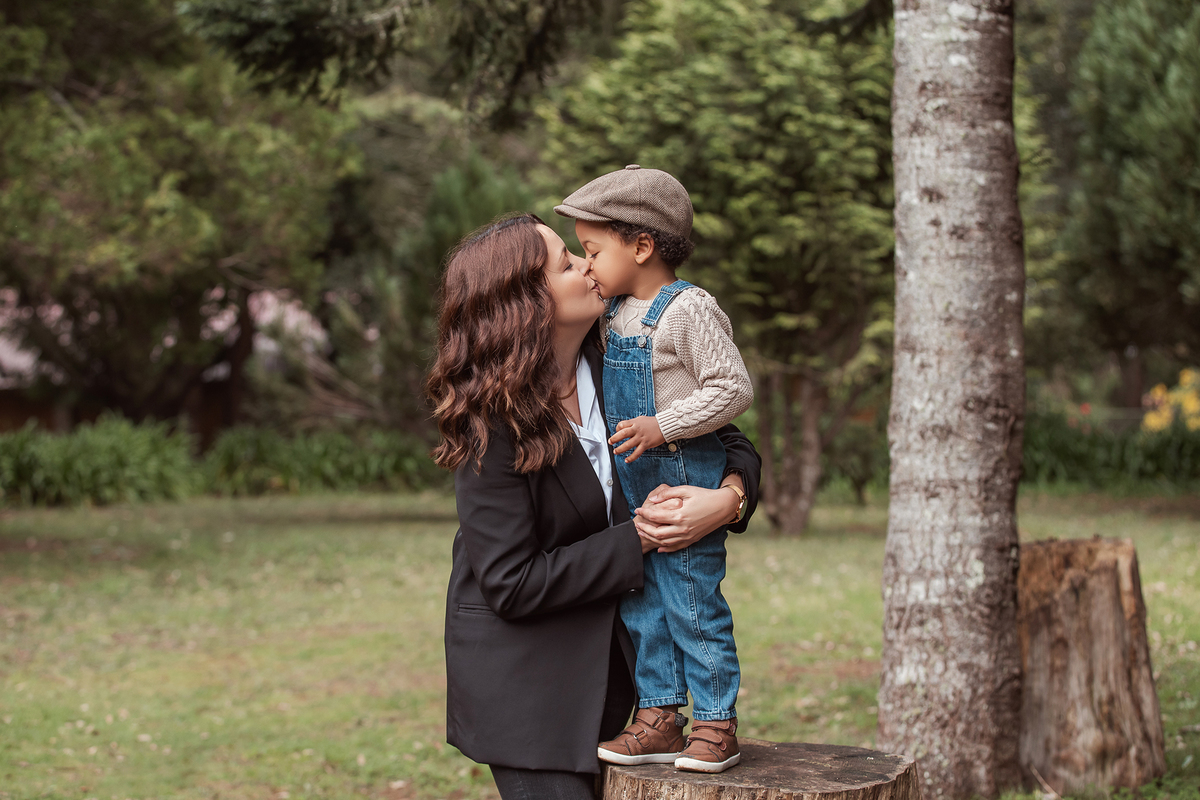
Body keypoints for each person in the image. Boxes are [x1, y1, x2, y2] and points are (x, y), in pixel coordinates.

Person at [426, 213, 761, 800]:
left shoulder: (624, 363)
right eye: (567, 261)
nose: (589, 265)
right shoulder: (490, 425)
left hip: (630, 678)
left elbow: (730, 441)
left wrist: (727, 500)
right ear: (525, 305)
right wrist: (644, 536)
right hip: (528, 685)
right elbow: (511, 582)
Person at [554, 166, 754, 773]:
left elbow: (732, 387)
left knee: (692, 604)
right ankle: (660, 716)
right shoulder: (610, 313)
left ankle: (717, 721)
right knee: (642, 608)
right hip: (633, 500)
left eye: (593, 252)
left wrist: (665, 426)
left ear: (641, 246)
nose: (586, 267)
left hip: (682, 484)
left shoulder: (688, 311)